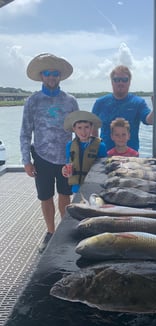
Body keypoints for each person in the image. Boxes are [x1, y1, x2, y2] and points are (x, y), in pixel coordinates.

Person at [20, 53, 79, 253]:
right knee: (45, 196)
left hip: (65, 158)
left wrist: (79, 158)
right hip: (42, 157)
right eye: (48, 73)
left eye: (55, 73)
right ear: (42, 76)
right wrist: (26, 160)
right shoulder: (32, 101)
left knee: (65, 196)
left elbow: (79, 131)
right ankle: (51, 232)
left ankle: (64, 233)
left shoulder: (71, 101)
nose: (52, 77)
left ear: (60, 76)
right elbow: (25, 132)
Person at [92, 65, 154, 152]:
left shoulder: (138, 103)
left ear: (129, 82)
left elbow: (150, 121)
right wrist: (95, 150)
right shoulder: (100, 103)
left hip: (131, 157)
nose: (120, 83)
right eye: (116, 80)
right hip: (105, 155)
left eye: (124, 80)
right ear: (112, 81)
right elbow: (93, 128)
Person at [62, 110, 107, 193]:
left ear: (92, 128)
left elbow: (103, 168)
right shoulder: (70, 145)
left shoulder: (101, 146)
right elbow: (68, 163)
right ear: (74, 129)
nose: (83, 131)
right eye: (79, 128)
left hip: (94, 188)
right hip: (76, 189)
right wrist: (64, 170)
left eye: (86, 127)